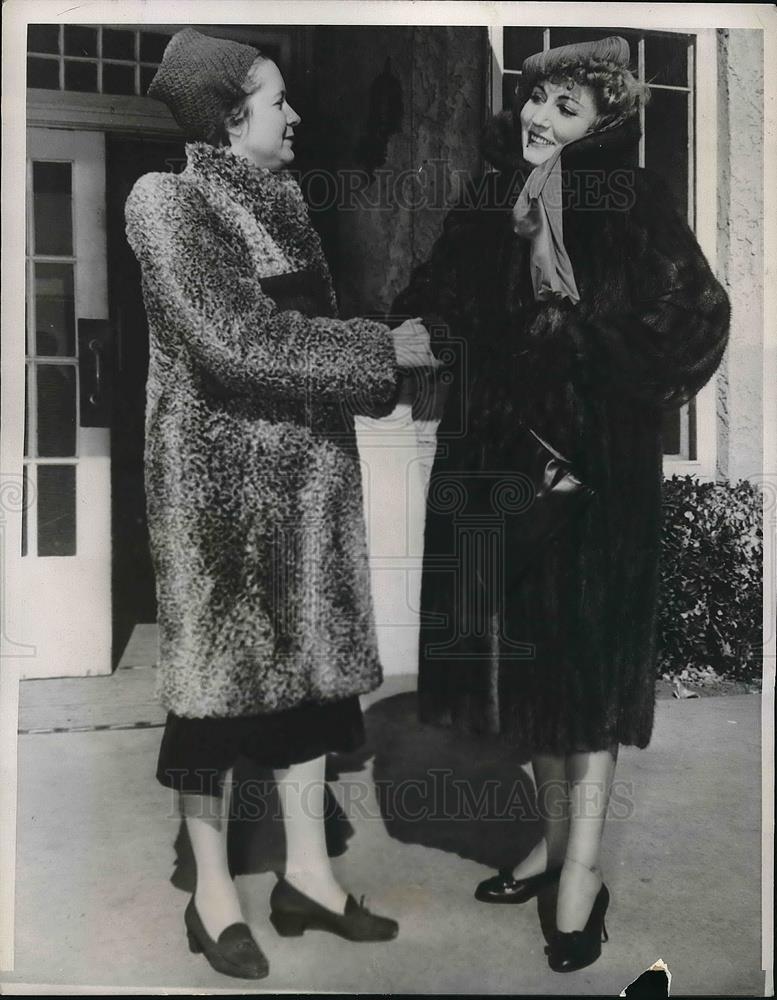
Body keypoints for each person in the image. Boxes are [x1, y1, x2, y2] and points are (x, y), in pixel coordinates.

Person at [392, 36, 730, 973]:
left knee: (583, 682)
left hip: (592, 476)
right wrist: (419, 324)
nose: (541, 115)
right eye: (538, 96)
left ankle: (580, 871)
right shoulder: (490, 191)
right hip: (496, 466)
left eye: (568, 107)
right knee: (528, 670)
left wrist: (575, 342)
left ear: (606, 122)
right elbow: (442, 291)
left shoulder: (628, 198)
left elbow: (698, 314)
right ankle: (549, 844)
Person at [125, 28, 435, 980]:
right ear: (228, 115)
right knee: (214, 705)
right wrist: (379, 352)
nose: (294, 116)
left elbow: (298, 340)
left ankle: (307, 879)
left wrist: (372, 363)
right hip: (218, 501)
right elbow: (238, 341)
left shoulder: (285, 202)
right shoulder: (166, 202)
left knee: (313, 689)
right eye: (276, 99)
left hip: (306, 490)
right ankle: (211, 895)